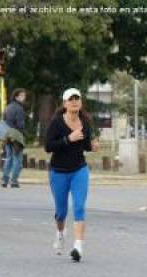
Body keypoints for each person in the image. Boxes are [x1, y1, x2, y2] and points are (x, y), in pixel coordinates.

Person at [45, 88, 99, 262]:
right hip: (58, 171)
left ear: (81, 102)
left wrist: (93, 146)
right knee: (61, 212)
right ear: (65, 103)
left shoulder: (85, 122)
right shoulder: (56, 123)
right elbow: (48, 146)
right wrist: (69, 138)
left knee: (79, 206)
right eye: (71, 99)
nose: (75, 101)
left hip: (79, 170)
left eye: (77, 99)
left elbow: (86, 146)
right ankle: (60, 233)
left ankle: (78, 246)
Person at [1, 88, 26, 188]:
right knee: (18, 160)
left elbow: (3, 121)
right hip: (16, 135)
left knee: (9, 158)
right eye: (22, 96)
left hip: (7, 134)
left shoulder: (8, 107)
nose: (23, 98)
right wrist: (24, 133)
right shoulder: (19, 108)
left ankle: (4, 180)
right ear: (16, 97)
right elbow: (20, 124)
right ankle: (14, 181)